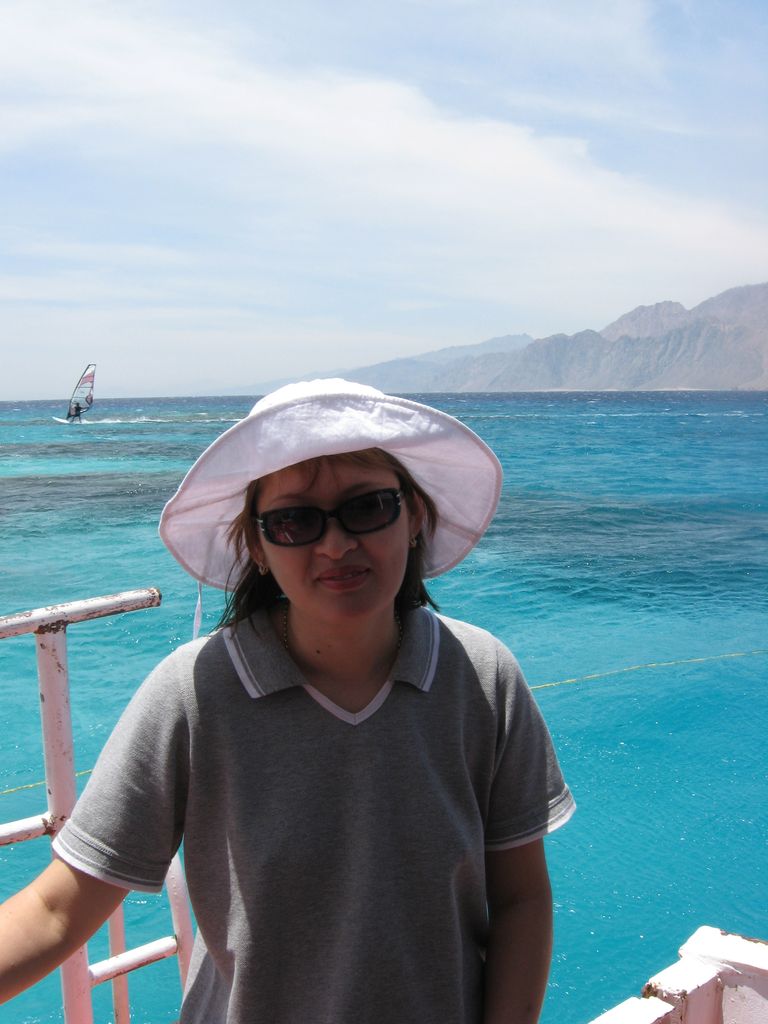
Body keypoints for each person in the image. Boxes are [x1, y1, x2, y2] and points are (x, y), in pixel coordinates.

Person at [0, 378, 575, 1023]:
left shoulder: (482, 676)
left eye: (368, 507)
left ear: (414, 516)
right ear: (258, 547)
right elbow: (58, 907)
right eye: (295, 520)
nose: (335, 544)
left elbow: (521, 897)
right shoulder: (195, 693)